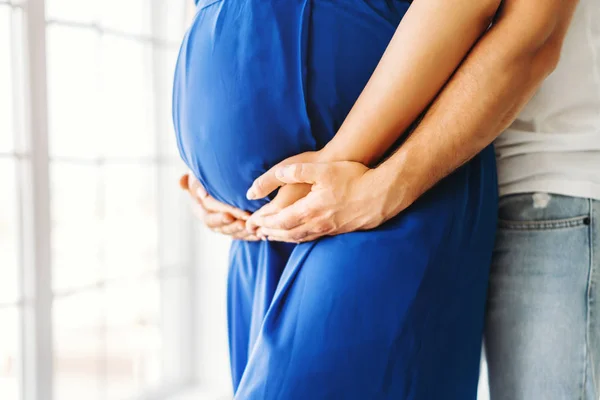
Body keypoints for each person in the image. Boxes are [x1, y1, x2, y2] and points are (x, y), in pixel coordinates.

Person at [184, 0, 599, 399]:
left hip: (406, 186)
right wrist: (207, 166)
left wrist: (371, 181)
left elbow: (527, 32)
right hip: (274, 221)